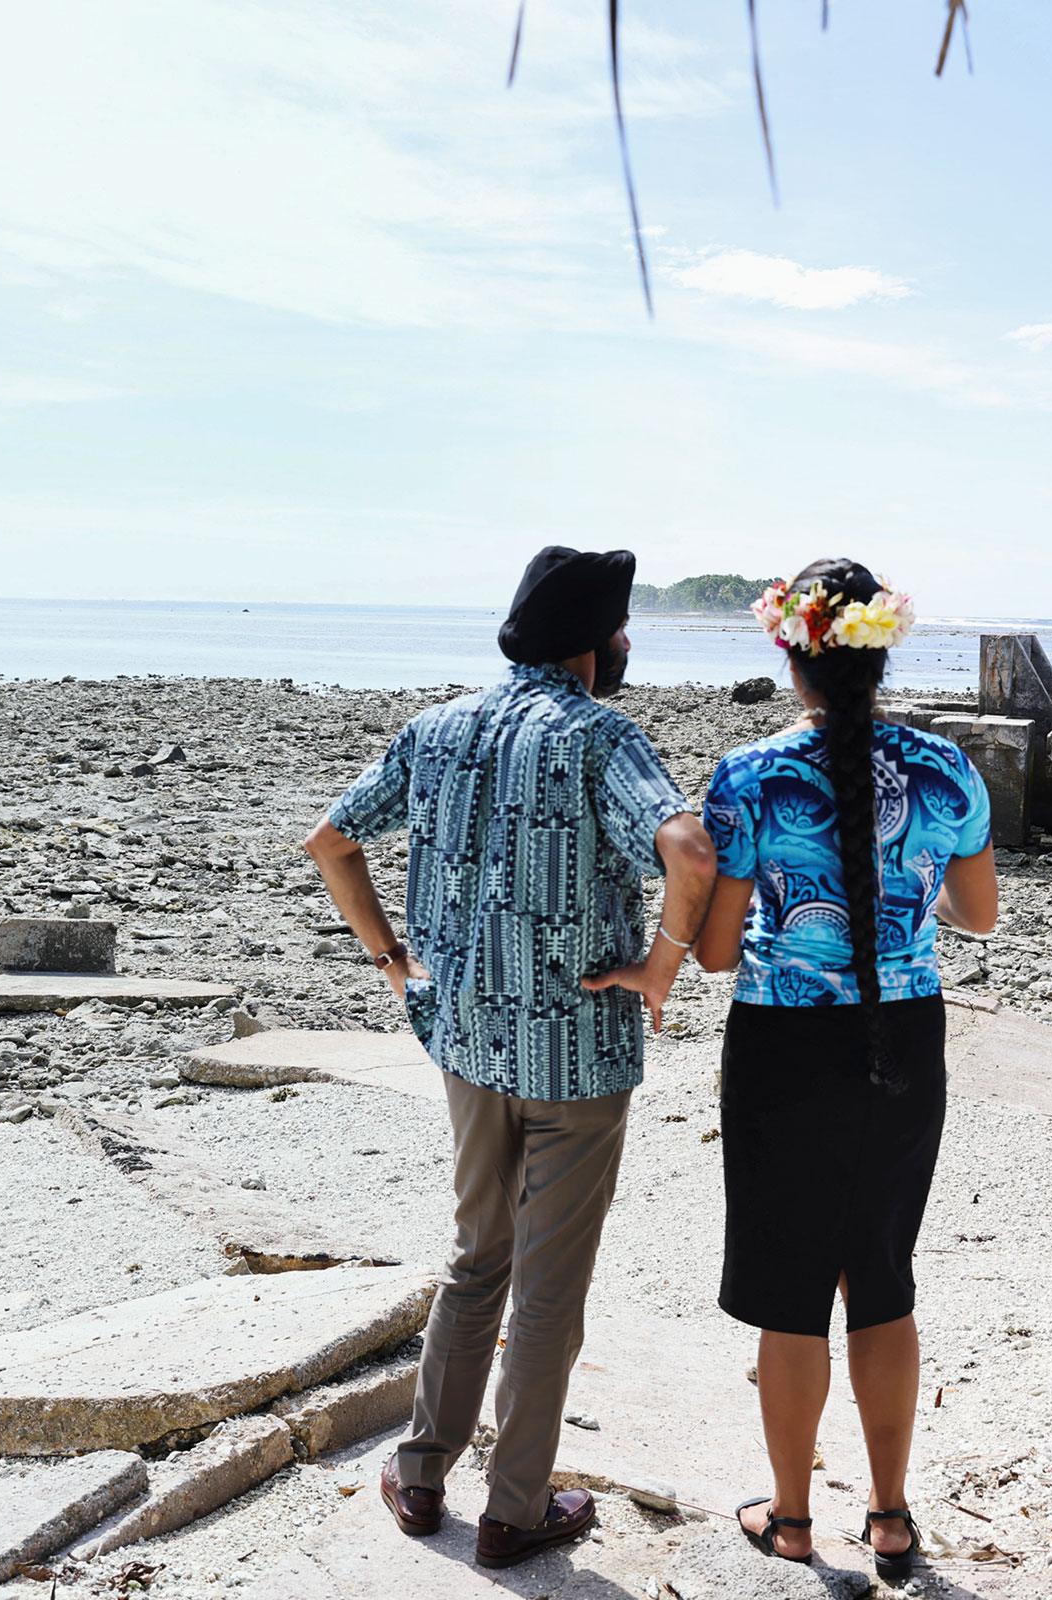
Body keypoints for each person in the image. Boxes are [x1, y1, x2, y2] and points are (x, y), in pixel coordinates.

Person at [304, 545, 717, 1571]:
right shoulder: (599, 735)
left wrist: (390, 958)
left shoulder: (437, 727)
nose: (627, 645)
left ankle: (425, 1466)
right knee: (547, 1287)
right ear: (590, 641)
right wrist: (662, 968)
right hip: (578, 1052)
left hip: (466, 1041)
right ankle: (514, 1508)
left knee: (474, 1253)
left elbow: (330, 838)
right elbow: (691, 849)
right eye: (621, 630)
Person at [692, 558, 999, 1581]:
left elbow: (721, 953)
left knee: (790, 1287)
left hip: (785, 1046)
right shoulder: (949, 771)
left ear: (794, 655)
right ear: (881, 648)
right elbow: (981, 913)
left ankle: (788, 1520)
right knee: (883, 1275)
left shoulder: (747, 777)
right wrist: (912, 908)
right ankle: (893, 1517)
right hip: (905, 1038)